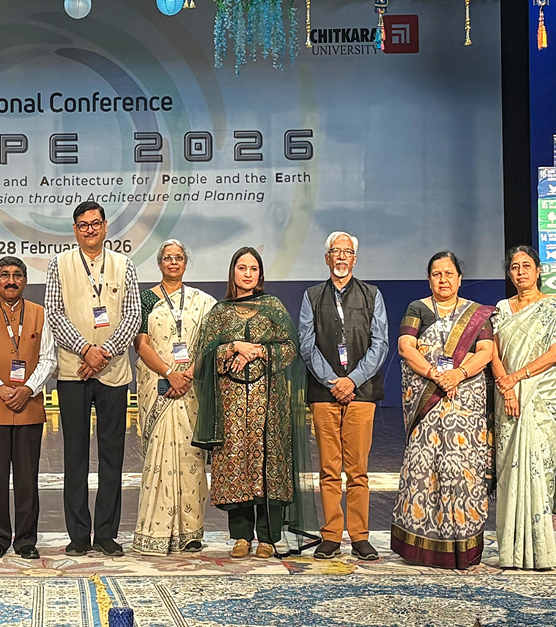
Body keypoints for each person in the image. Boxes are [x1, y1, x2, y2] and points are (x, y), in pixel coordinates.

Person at [194, 248, 309, 558]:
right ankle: (241, 537)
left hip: (269, 404)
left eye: (253, 268)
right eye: (241, 267)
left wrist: (256, 351)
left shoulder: (273, 308)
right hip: (231, 406)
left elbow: (289, 349)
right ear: (233, 272)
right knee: (237, 466)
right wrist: (232, 347)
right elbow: (204, 357)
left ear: (260, 275)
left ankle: (268, 538)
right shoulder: (220, 312)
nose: (247, 274)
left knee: (267, 465)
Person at [390, 252, 497, 570]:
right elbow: (406, 346)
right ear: (429, 278)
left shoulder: (476, 314)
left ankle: (461, 549)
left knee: (460, 474)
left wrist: (458, 374)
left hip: (464, 405)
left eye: (449, 273)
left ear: (459, 278)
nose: (443, 279)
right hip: (428, 403)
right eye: (436, 274)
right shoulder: (418, 309)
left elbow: (486, 351)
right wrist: (435, 375)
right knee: (424, 473)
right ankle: (419, 550)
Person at [49, 201, 141, 557]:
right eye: (83, 225)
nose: (89, 229)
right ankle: (78, 535)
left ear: (105, 227)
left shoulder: (123, 265)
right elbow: (55, 313)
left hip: (113, 373)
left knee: (111, 457)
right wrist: (86, 349)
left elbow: (133, 314)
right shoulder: (60, 264)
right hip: (74, 371)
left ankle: (106, 533)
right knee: (74, 456)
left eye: (95, 223)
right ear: (75, 230)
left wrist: (104, 353)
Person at [299, 232, 389, 562]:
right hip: (324, 393)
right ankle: (331, 535)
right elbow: (306, 343)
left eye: (347, 252)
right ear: (326, 259)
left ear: (354, 259)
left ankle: (360, 536)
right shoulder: (312, 296)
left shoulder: (372, 295)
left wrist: (351, 381)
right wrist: (332, 380)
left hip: (361, 394)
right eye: (335, 252)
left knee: (358, 469)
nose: (341, 258)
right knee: (328, 468)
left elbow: (380, 344)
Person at [489, 245, 556, 571]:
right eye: (514, 267)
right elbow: (493, 352)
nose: (520, 272)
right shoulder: (501, 309)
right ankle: (510, 552)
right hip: (508, 395)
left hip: (543, 397)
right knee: (510, 470)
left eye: (526, 266)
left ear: (538, 271)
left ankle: (541, 551)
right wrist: (506, 384)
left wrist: (517, 377)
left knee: (540, 468)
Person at [0, 256, 57, 559]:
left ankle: (26, 540)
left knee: (28, 478)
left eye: (17, 275)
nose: (11, 280)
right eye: (4, 275)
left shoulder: (39, 314)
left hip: (29, 406)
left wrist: (28, 388)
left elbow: (48, 359)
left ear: (25, 281)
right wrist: (1, 388)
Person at [132, 239, 216, 555]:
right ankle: (154, 531)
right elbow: (141, 345)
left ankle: (191, 531)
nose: (173, 262)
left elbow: (209, 345)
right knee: (159, 457)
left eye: (179, 257)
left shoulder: (203, 302)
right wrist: (170, 373)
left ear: (185, 262)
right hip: (159, 386)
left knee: (191, 457)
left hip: (190, 390)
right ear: (159, 263)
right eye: (167, 257)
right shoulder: (144, 299)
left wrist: (188, 374)